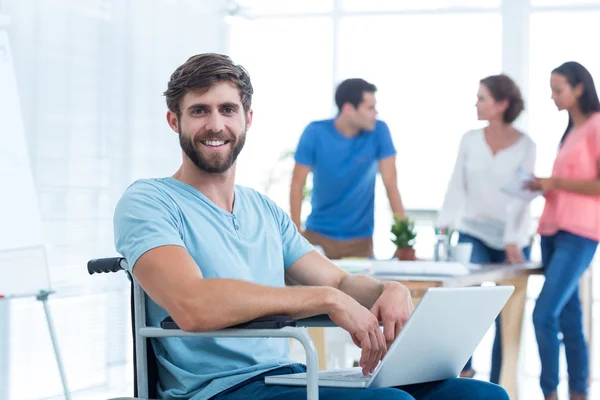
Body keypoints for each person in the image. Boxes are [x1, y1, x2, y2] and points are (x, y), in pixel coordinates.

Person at [113, 53, 509, 400]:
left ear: (247, 119)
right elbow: (192, 305)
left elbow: (337, 283)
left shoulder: (263, 210)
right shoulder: (149, 202)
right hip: (219, 388)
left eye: (227, 110)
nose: (216, 124)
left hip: (286, 379)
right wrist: (325, 300)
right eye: (200, 111)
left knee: (481, 393)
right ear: (173, 120)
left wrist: (389, 289)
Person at [436, 74, 536, 381]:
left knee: (503, 311)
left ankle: (498, 381)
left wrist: (511, 241)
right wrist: (443, 227)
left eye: (482, 98)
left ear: (502, 104)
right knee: (466, 303)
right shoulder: (469, 139)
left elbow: (521, 199)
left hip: (511, 237)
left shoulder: (526, 145)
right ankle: (462, 374)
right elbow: (457, 184)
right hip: (473, 231)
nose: (476, 103)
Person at [526, 61, 600, 400]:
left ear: (579, 88)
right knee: (569, 316)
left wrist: (554, 181)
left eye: (558, 90)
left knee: (544, 314)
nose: (553, 97)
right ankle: (578, 392)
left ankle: (549, 393)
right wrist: (544, 186)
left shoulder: (597, 126)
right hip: (552, 230)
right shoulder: (571, 131)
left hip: (580, 233)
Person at [290, 78, 405, 259]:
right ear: (348, 109)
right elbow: (297, 184)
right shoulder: (314, 133)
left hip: (360, 243)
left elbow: (391, 185)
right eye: (370, 108)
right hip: (317, 238)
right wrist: (295, 238)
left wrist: (404, 241)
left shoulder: (379, 131)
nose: (375, 113)